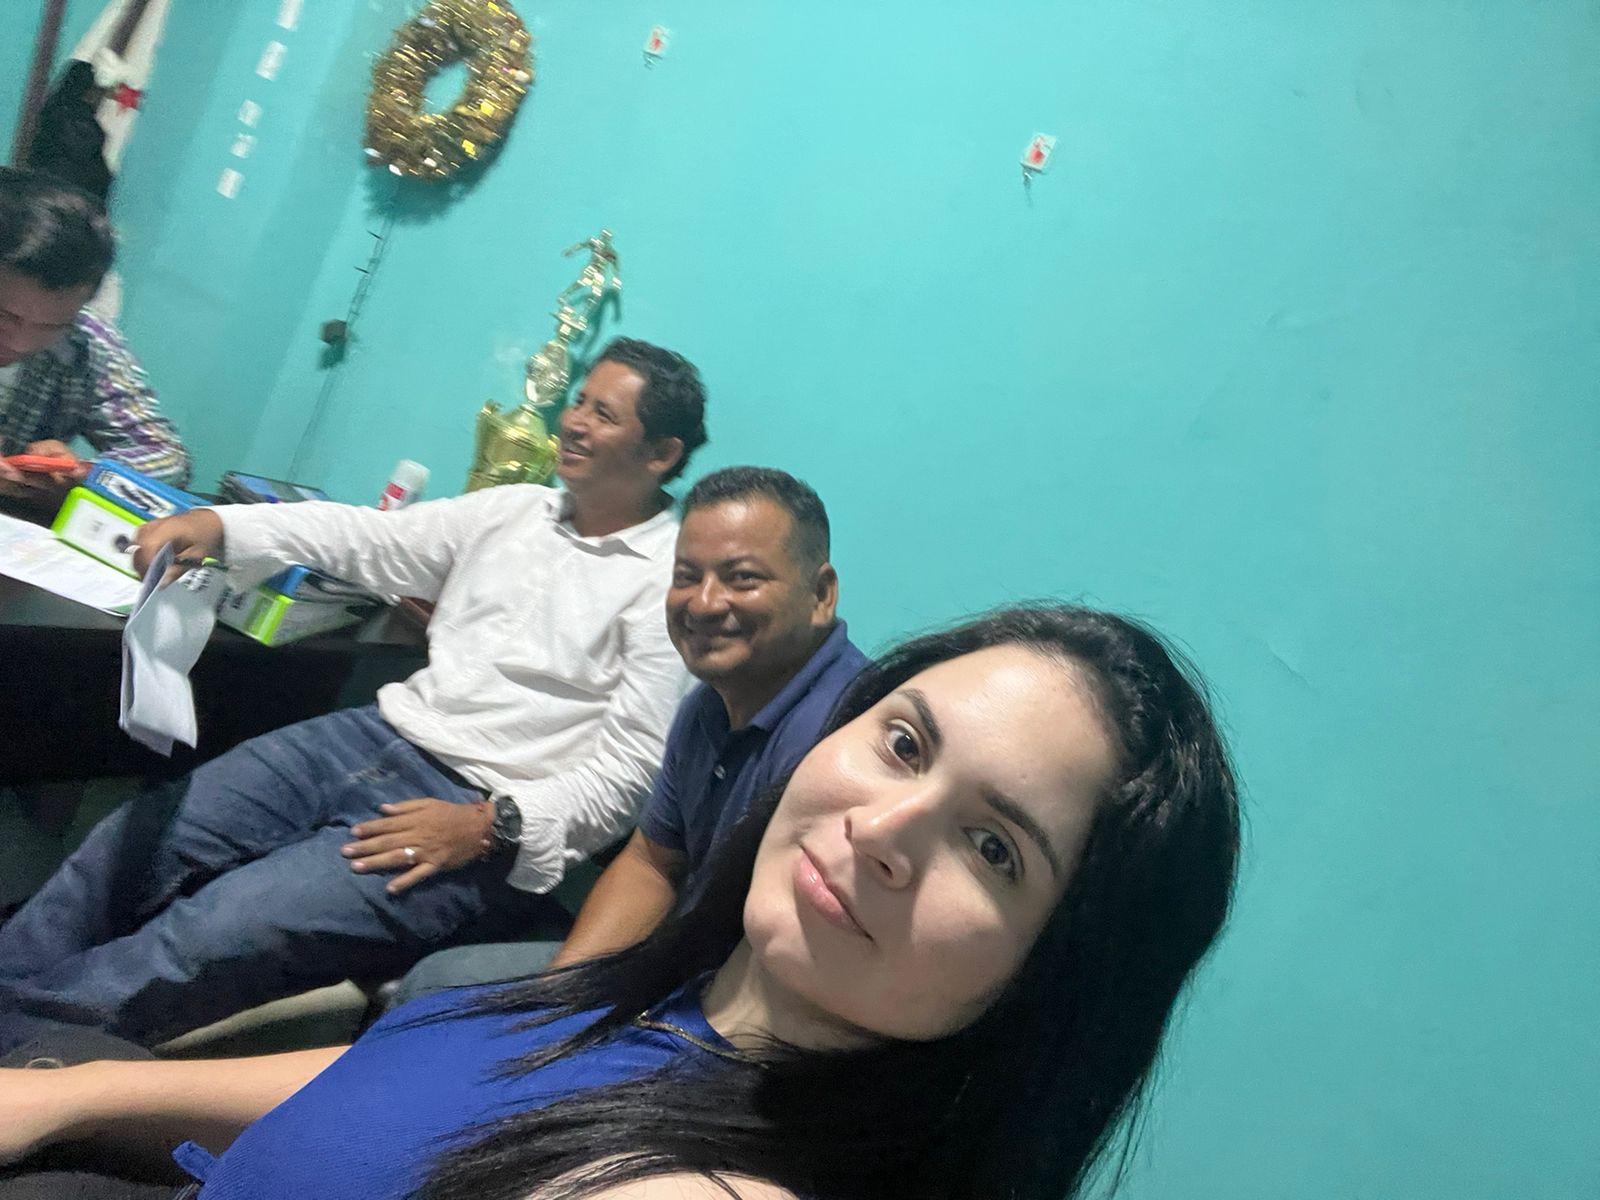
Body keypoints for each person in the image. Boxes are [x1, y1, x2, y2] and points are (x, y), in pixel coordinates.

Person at [0, 604, 1242, 1200]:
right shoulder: (684, 994)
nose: (883, 829)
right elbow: (421, 1073)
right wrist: (83, 1093)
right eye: (905, 744)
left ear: (1058, 972)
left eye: (993, 847)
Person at [0, 338, 709, 1052]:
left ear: (662, 453)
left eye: (604, 414)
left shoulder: (668, 583)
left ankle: (23, 1052)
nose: (574, 422)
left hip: (467, 813)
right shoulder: (519, 512)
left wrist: (493, 825)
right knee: (135, 841)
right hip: (366, 739)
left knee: (214, 932)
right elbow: (366, 537)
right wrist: (221, 526)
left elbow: (632, 771)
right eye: (579, 402)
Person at [394, 466, 869, 996]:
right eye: (686, 576)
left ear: (821, 594)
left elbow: (801, 963)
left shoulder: (846, 741)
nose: (704, 602)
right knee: (433, 984)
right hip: (678, 961)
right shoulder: (707, 707)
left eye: (742, 579)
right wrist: (555, 1000)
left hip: (752, 997)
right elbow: (652, 863)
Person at [0, 167, 189, 500]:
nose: (20, 341)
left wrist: (82, 475)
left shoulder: (86, 342)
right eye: (5, 316)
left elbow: (167, 458)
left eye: (50, 326)